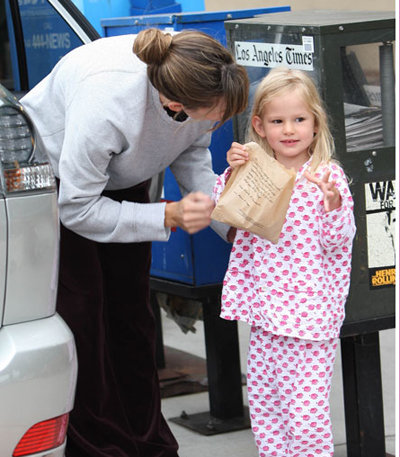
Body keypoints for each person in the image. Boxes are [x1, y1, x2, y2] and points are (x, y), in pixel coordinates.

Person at [20, 28, 249, 457]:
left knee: (133, 316)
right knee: (85, 318)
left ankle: (148, 441)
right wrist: (166, 214)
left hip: (121, 171)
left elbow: (192, 155)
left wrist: (233, 225)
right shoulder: (107, 101)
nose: (216, 125)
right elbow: (78, 209)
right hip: (56, 181)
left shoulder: (197, 71)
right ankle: (100, 446)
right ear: (174, 103)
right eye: (214, 118)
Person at [213, 67, 356, 457]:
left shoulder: (326, 177)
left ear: (315, 123)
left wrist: (333, 203)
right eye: (278, 121)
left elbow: (339, 240)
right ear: (259, 126)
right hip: (265, 315)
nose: (289, 129)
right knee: (267, 412)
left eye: (299, 119)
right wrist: (232, 172)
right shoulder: (256, 168)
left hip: (309, 321)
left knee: (306, 419)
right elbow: (226, 210)